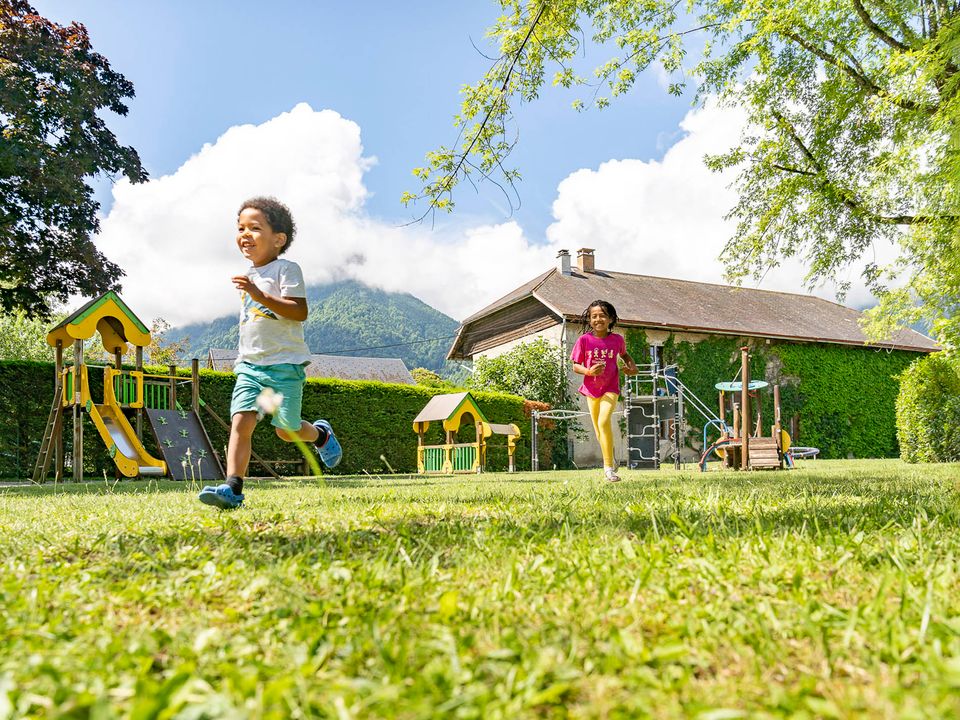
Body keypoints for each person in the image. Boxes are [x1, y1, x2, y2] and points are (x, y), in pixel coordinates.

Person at [199, 197, 342, 509]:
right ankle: (232, 488)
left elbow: (298, 311)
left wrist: (258, 294)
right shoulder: (249, 275)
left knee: (286, 431)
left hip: (284, 368)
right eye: (241, 228)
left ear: (278, 239)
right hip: (251, 368)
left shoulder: (286, 270)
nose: (245, 234)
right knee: (242, 422)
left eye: (255, 228)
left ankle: (320, 436)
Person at [570, 299, 638, 482]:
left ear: (611, 319)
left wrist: (632, 367)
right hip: (591, 389)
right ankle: (611, 457)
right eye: (594, 316)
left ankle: (608, 468)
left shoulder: (617, 340)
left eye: (602, 316)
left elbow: (625, 355)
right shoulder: (584, 340)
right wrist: (589, 371)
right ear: (589, 319)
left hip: (611, 387)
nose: (598, 319)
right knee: (599, 429)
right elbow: (576, 365)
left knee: (604, 420)